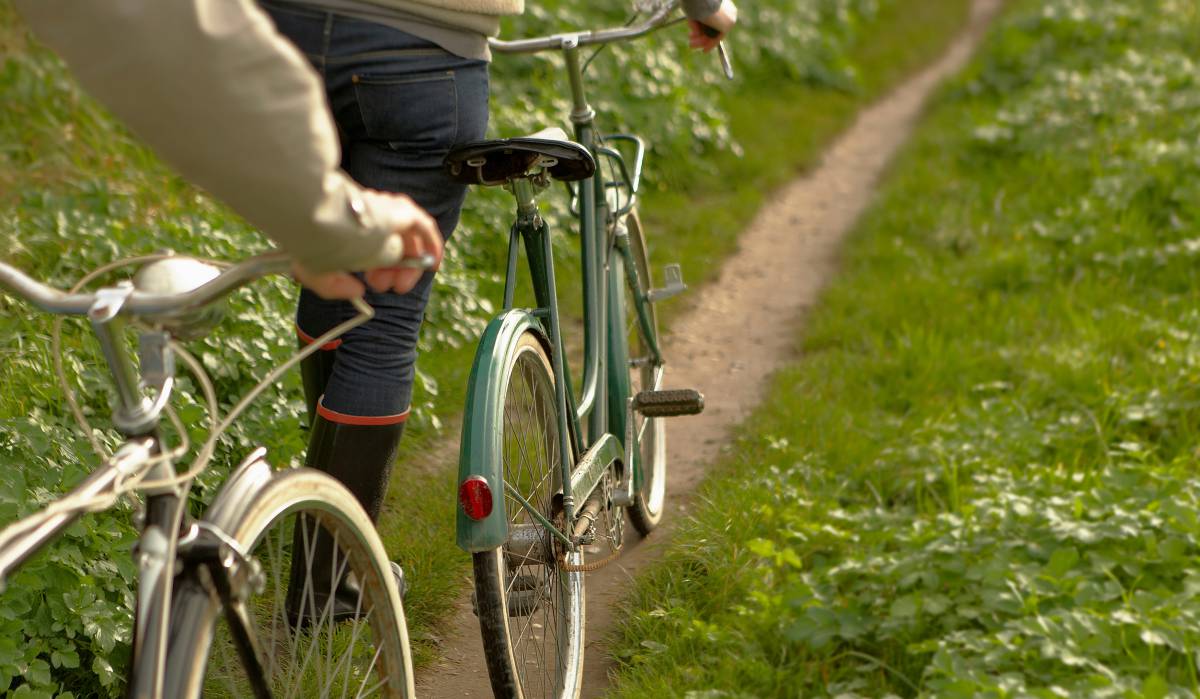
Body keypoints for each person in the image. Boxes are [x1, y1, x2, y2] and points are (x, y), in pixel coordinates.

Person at [13, 0, 736, 615]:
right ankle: (328, 588)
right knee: (382, 324)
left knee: (330, 274)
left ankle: (322, 531)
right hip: (428, 52)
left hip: (280, 27)